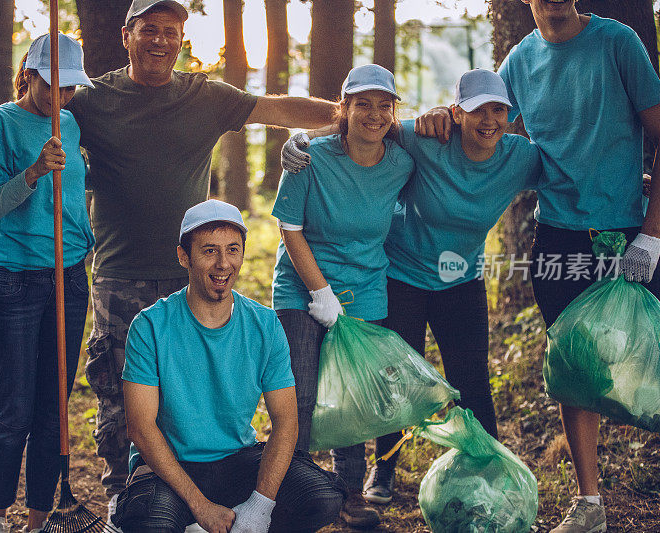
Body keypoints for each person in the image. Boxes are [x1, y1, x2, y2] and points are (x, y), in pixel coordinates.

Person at [65, 0, 340, 510]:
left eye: (172, 31)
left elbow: (274, 109)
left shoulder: (203, 96)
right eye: (149, 29)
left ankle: (190, 489)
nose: (161, 40)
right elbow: (36, 119)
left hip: (191, 269)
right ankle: (127, 494)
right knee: (120, 390)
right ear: (127, 35)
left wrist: (349, 117)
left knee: (190, 387)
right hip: (121, 276)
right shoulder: (92, 98)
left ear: (182, 40)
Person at [413, 2, 660, 531]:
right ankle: (590, 504)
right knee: (574, 368)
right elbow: (482, 117)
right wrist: (436, 116)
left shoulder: (617, 43)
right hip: (558, 237)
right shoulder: (521, 59)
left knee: (648, 359)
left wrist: (653, 234)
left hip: (627, 235)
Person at [281, 68, 543, 506]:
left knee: (473, 379)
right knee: (392, 380)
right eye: (478, 109)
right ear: (457, 113)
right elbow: (361, 124)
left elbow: (571, 173)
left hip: (461, 280)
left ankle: (489, 471)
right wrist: (303, 137)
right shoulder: (426, 138)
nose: (489, 120)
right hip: (400, 274)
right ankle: (382, 473)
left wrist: (640, 188)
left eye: (499, 110)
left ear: (511, 115)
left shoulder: (520, 157)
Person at [114, 199, 346, 533]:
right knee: (150, 522)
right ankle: (196, 523)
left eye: (233, 250)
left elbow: (286, 422)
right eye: (209, 251)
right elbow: (141, 429)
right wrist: (201, 507)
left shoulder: (264, 324)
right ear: (184, 256)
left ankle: (240, 524)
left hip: (237, 460)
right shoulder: (150, 325)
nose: (224, 263)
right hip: (169, 465)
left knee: (322, 497)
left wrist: (260, 506)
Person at [272, 64, 414, 529]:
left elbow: (443, 134)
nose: (373, 114)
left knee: (351, 397)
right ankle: (292, 489)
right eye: (362, 103)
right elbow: (289, 228)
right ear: (344, 107)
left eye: (383, 105)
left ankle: (350, 492)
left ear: (394, 112)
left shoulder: (401, 161)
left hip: (367, 288)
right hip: (301, 283)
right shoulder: (310, 156)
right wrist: (320, 293)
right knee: (304, 394)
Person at [0, 34, 94, 533]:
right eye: (54, 84)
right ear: (29, 74)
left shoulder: (68, 122)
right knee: (15, 408)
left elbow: (71, 200)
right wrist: (33, 172)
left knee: (55, 408)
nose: (62, 96)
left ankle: (39, 516)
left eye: (70, 87)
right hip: (16, 277)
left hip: (69, 276)